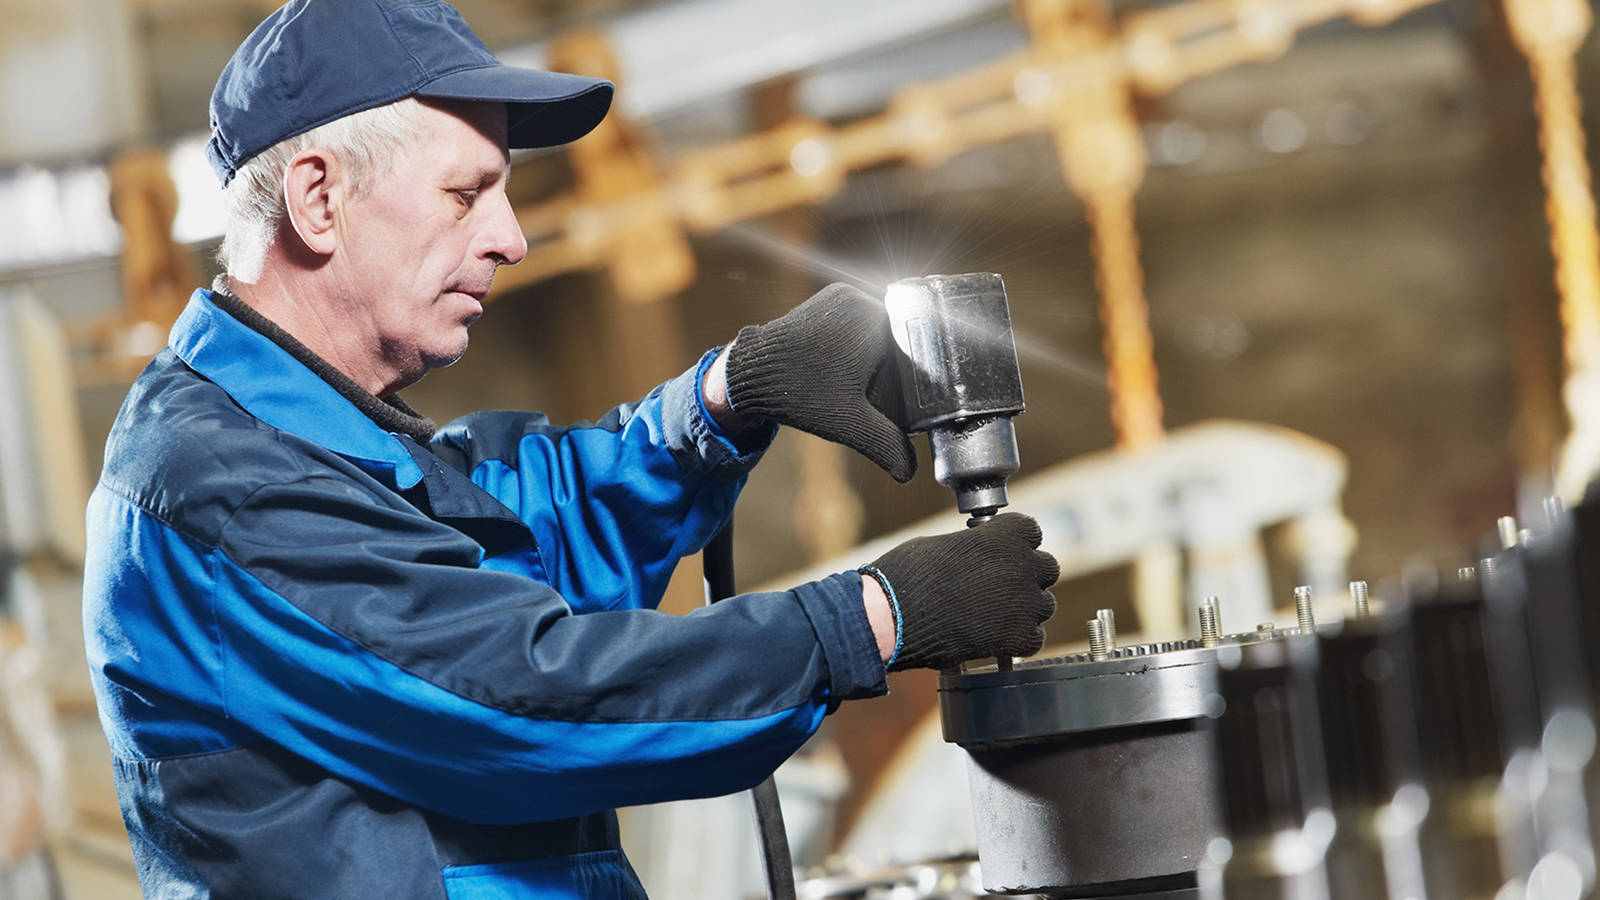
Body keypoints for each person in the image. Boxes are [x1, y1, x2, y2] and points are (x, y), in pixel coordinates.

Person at [82, 1, 1059, 897]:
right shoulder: (224, 487)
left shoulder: (313, 439)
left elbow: (517, 522)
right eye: (466, 194)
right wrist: (872, 618)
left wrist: (722, 401)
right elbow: (517, 695)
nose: (509, 237)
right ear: (318, 199)